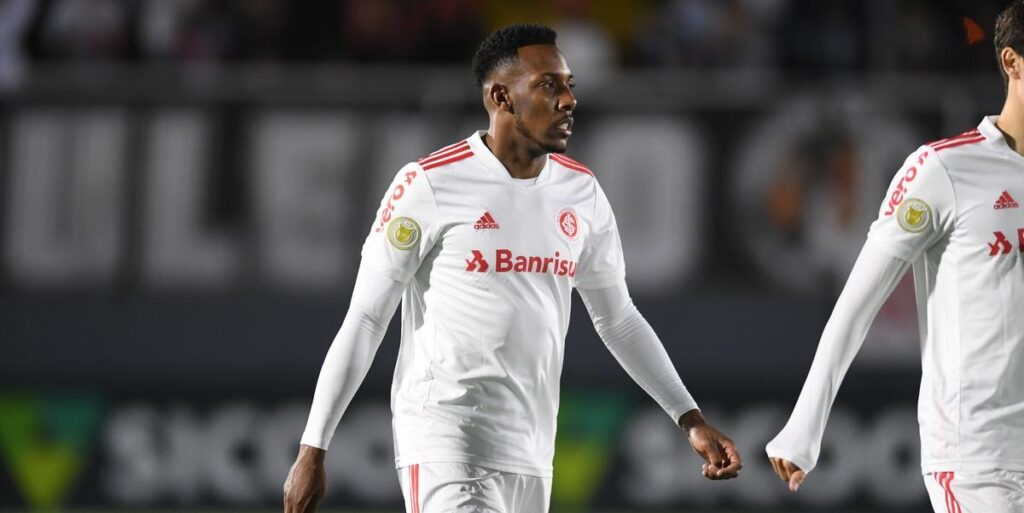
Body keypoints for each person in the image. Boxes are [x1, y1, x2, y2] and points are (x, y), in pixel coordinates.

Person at [283, 23, 741, 513]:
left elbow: (619, 319)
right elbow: (366, 318)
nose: (568, 100)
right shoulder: (430, 184)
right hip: (445, 441)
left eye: (569, 85)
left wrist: (690, 419)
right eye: (548, 85)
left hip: (531, 454)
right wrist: (313, 448)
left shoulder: (581, 192)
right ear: (502, 97)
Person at [766, 3, 1024, 512]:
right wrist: (804, 426)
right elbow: (857, 304)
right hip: (982, 462)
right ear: (1012, 62)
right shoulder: (945, 169)